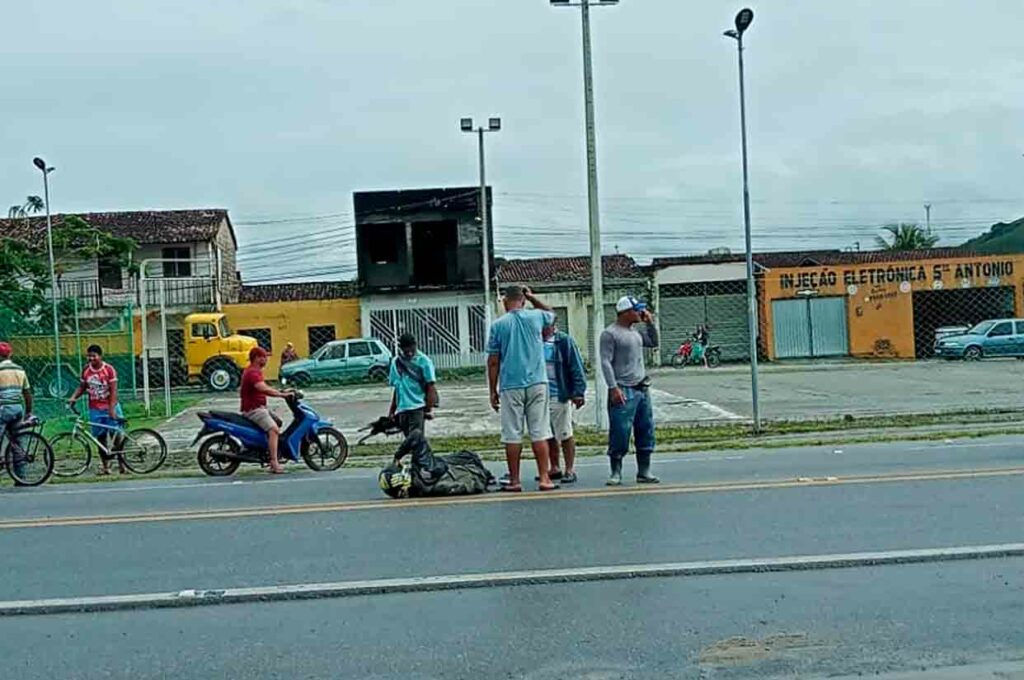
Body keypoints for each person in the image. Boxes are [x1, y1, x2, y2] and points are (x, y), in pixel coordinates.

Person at [487, 285, 558, 492]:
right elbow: (552, 314)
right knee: (539, 431)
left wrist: (493, 389)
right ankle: (545, 478)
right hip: (537, 382)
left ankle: (515, 480)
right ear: (523, 300)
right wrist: (533, 297)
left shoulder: (498, 325)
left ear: (504, 301)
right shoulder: (536, 317)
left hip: (511, 385)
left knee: (512, 434)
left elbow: (493, 361)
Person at [600, 296, 660, 486]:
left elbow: (654, 341)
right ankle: (615, 470)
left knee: (645, 430)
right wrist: (613, 387)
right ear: (626, 312)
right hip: (623, 388)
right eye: (637, 310)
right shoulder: (610, 333)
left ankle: (644, 470)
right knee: (620, 431)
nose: (640, 313)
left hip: (641, 388)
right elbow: (605, 362)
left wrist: (650, 322)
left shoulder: (635, 333)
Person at [378, 429, 493, 498]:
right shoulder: (424, 469)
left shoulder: (420, 489)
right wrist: (398, 455)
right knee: (468, 455)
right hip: (465, 468)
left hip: (470, 476)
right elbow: (416, 435)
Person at [68, 344, 125, 476]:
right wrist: (73, 397)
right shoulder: (86, 371)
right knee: (100, 438)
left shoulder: (109, 370)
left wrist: (112, 409)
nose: (91, 358)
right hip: (95, 408)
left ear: (100, 356)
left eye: (94, 356)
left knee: (116, 436)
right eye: (89, 356)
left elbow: (113, 391)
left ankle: (123, 465)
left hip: (110, 405)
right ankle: (106, 467)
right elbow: (82, 387)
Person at [543, 319, 587, 484]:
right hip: (540, 396)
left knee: (564, 433)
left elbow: (576, 366)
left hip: (558, 393)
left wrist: (578, 392)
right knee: (547, 434)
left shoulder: (563, 341)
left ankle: (569, 469)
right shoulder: (534, 341)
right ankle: (554, 467)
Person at [240, 346, 293, 474]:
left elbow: (265, 386)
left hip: (259, 408)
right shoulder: (252, 372)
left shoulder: (255, 371)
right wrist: (281, 395)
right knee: (274, 430)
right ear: (257, 358)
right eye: (263, 357)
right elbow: (263, 389)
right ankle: (274, 462)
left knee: (278, 422)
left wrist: (281, 390)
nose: (266, 360)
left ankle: (266, 450)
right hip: (254, 410)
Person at [388, 333, 438, 437]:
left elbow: (431, 387)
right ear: (401, 348)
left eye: (411, 348)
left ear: (415, 345)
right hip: (402, 409)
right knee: (409, 441)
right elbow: (397, 389)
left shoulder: (424, 361)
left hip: (417, 408)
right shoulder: (396, 363)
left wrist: (427, 409)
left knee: (416, 441)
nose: (409, 352)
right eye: (406, 350)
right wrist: (392, 411)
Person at [0, 342, 33, 482]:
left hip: (3, 409)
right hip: (17, 409)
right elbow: (27, 393)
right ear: (10, 354)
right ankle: (21, 477)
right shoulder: (20, 370)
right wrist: (28, 412)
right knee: (18, 442)